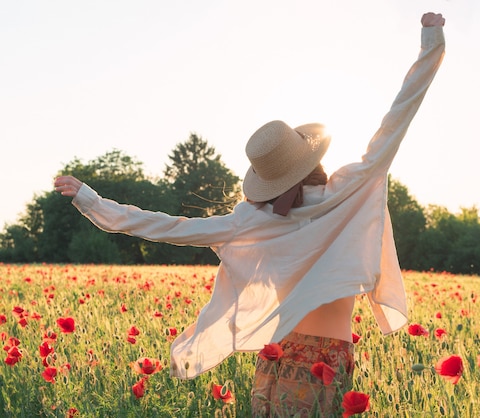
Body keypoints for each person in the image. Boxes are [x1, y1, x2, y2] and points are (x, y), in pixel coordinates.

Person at [54, 11, 445, 417]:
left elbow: (168, 226)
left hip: (276, 355)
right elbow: (398, 117)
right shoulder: (351, 190)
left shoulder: (253, 221)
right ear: (312, 158)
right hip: (330, 358)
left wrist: (92, 200)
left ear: (268, 177)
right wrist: (431, 42)